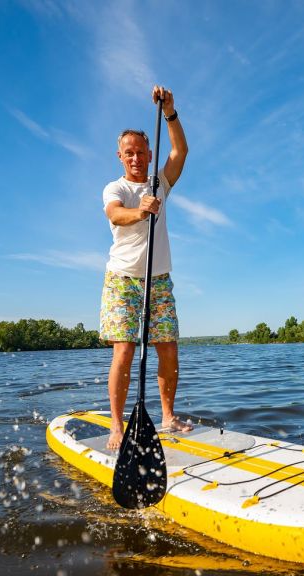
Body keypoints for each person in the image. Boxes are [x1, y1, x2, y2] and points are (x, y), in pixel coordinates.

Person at [99, 84, 192, 451]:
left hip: (159, 280)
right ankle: (118, 426)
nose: (135, 158)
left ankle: (168, 417)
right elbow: (116, 215)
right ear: (120, 157)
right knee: (123, 350)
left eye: (140, 152)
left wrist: (170, 111)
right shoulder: (114, 188)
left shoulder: (160, 182)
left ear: (149, 154)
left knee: (167, 348)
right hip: (122, 281)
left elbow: (180, 151)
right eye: (129, 153)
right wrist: (142, 211)